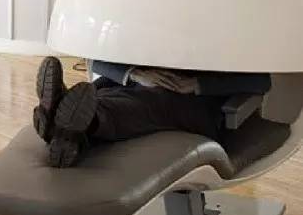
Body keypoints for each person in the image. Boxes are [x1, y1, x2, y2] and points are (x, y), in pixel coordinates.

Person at [33, 57, 272, 168]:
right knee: (106, 93)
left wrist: (197, 84)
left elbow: (261, 80)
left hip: (189, 101)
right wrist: (135, 73)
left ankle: (72, 120)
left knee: (148, 103)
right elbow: (96, 61)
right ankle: (68, 130)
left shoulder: (229, 19)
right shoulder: (151, 5)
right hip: (136, 81)